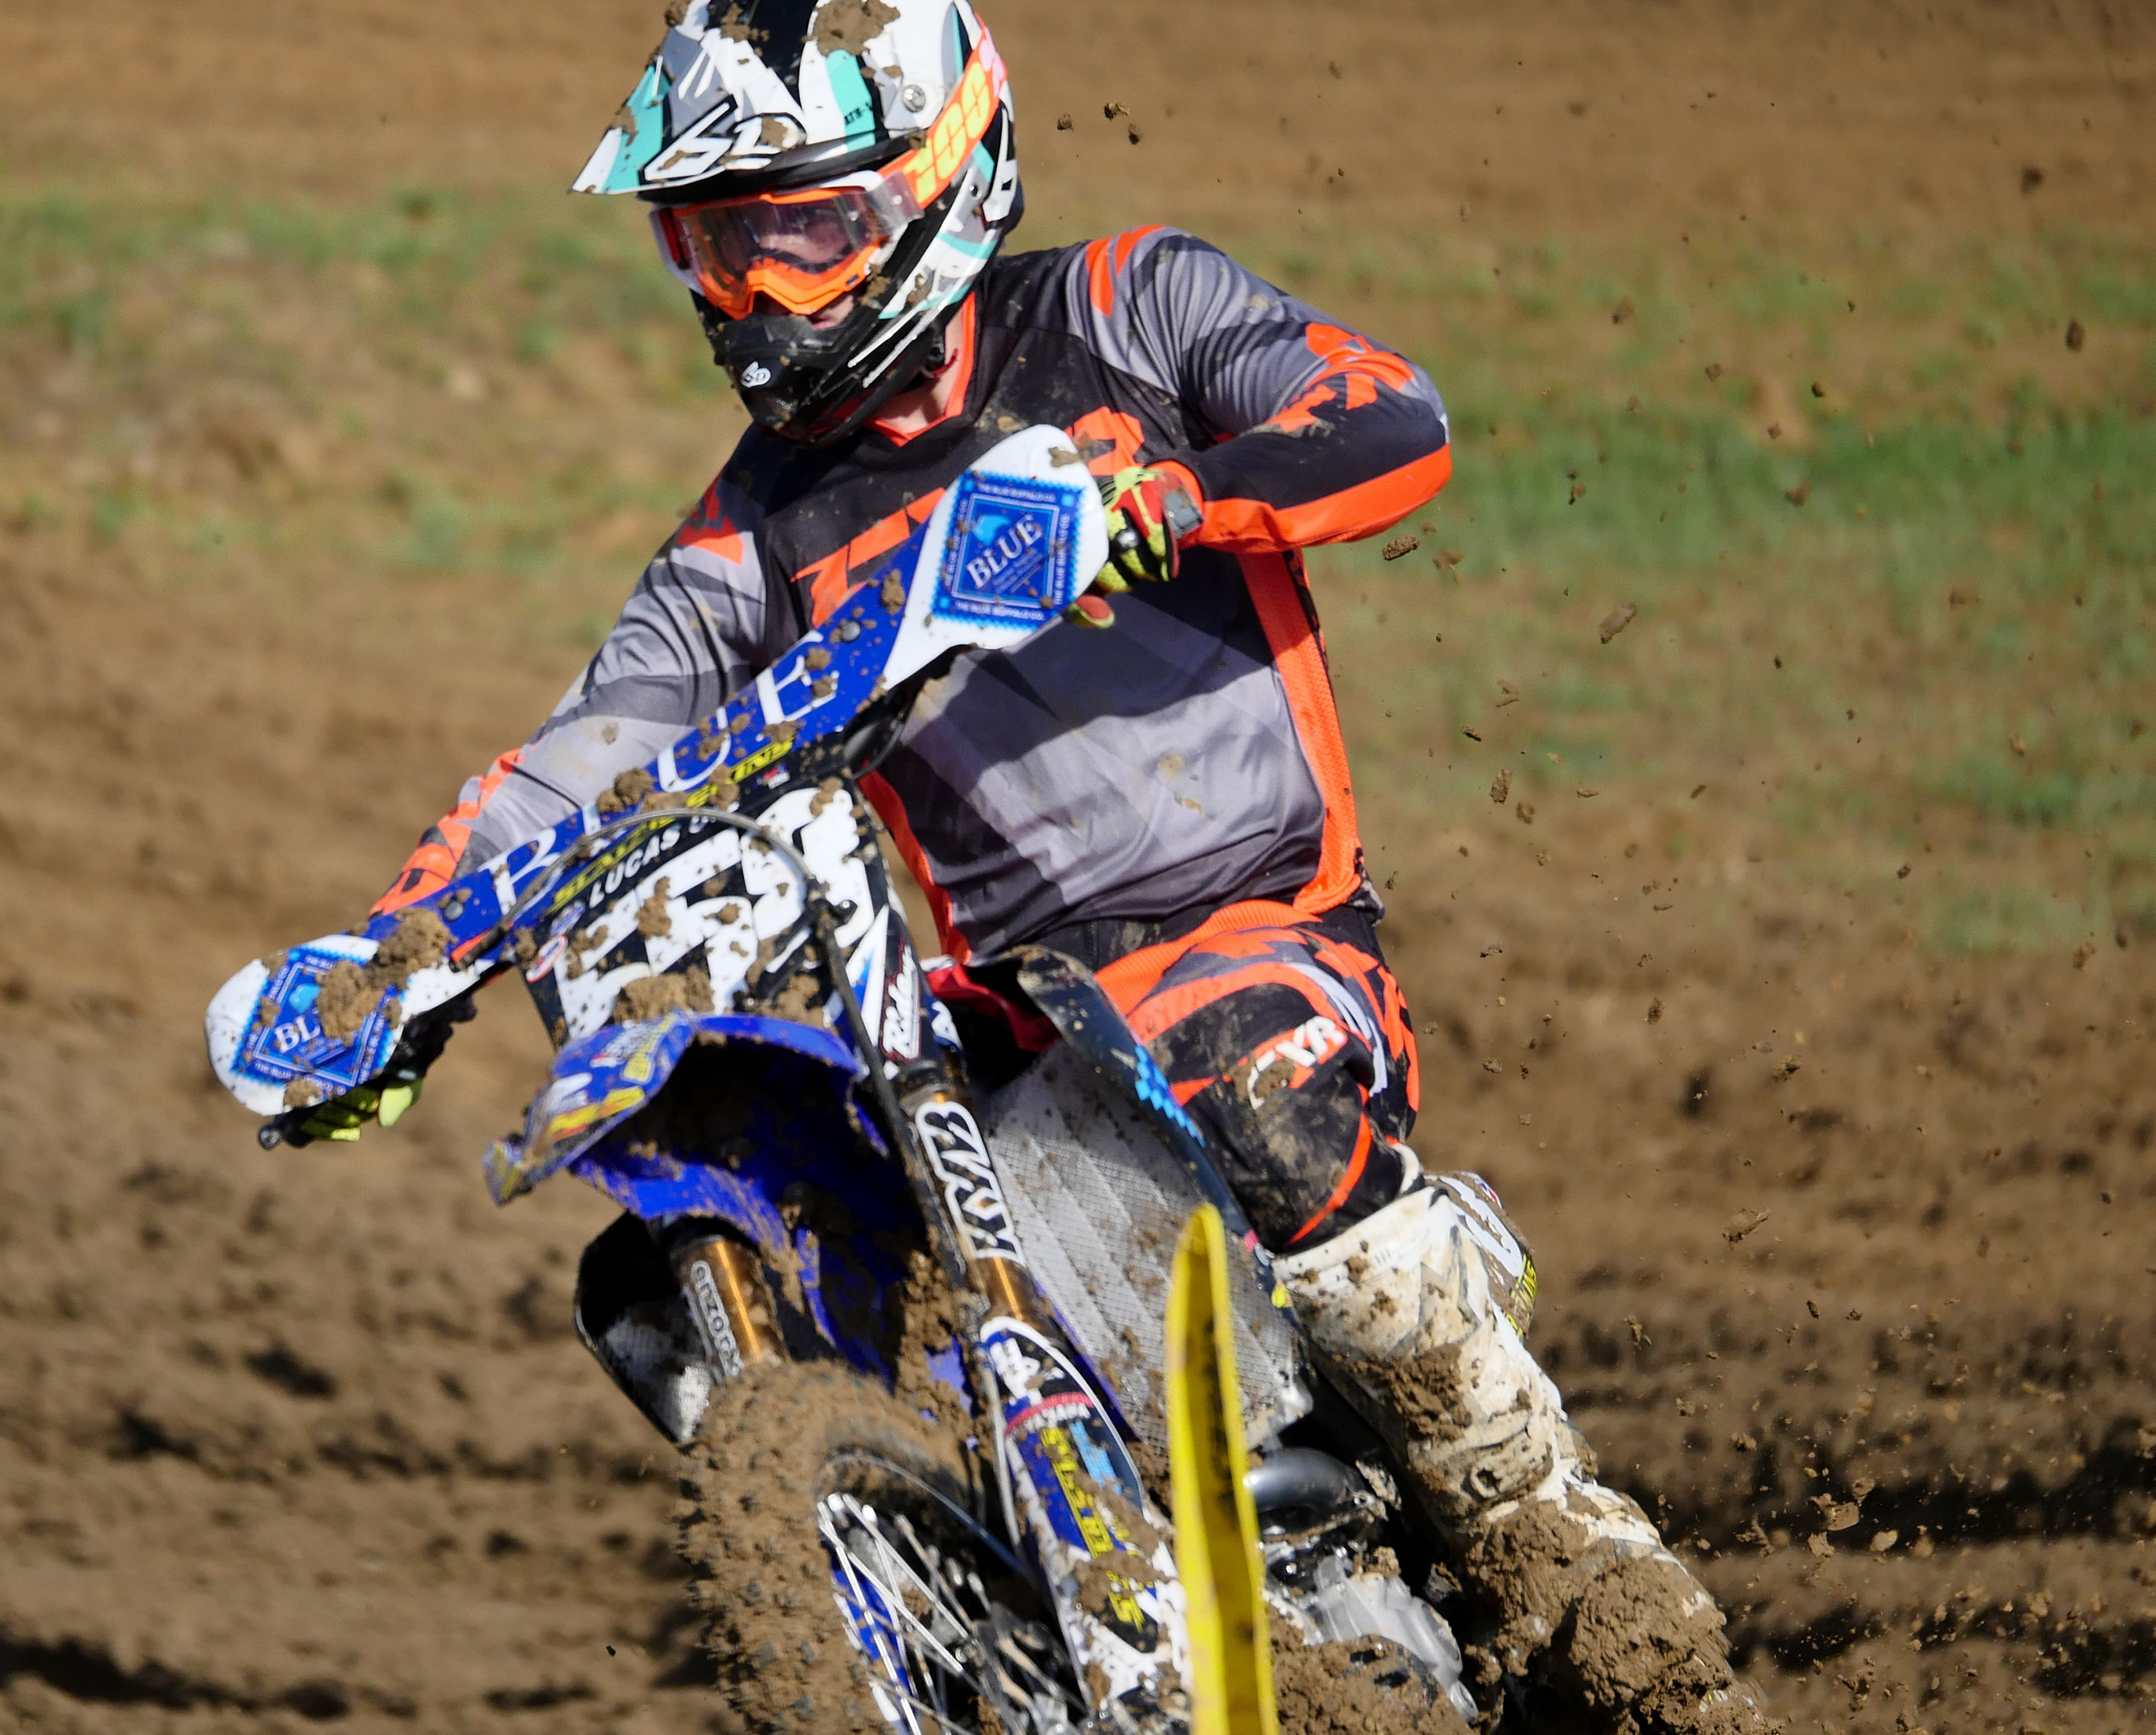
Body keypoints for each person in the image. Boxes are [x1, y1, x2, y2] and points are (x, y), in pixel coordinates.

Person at [316, 4, 1768, 1729]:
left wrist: (1169, 496)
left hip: (1265, 937)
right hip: (1009, 1017)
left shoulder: (1126, 310)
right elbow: (574, 759)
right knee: (689, 1228)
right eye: (716, 244)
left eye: (808, 233)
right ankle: (951, 1613)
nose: (763, 295)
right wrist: (383, 961)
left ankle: (1555, 1536)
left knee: (1235, 1061)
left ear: (943, 177)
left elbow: (1389, 417)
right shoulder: (748, 541)